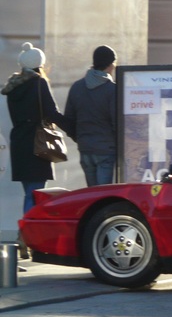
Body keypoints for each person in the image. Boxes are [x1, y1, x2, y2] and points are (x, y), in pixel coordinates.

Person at [1, 42, 71, 257]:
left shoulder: (14, 87)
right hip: (37, 142)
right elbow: (52, 112)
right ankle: (26, 236)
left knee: (29, 193)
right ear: (39, 64)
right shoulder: (39, 83)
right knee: (35, 194)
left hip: (20, 143)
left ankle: (26, 236)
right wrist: (74, 130)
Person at [64, 45, 117, 187]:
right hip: (106, 150)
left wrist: (79, 138)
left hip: (85, 148)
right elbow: (117, 123)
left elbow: (69, 119)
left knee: (92, 195)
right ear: (111, 64)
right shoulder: (112, 90)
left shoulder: (77, 87)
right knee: (103, 195)